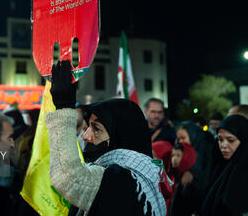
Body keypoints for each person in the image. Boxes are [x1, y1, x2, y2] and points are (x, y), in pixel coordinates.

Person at [46, 61, 168, 216]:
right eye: (88, 127)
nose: (86, 136)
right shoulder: (128, 175)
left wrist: (63, 107)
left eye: (96, 129)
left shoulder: (124, 180)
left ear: (120, 136)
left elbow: (70, 178)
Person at [201, 114, 248, 216]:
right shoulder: (220, 168)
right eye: (220, 139)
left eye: (231, 140)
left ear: (244, 141)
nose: (223, 145)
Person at [170, 122, 216, 215]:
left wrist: (192, 173)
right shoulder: (183, 153)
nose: (180, 142)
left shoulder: (206, 152)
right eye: (178, 139)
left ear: (193, 136)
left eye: (183, 138)